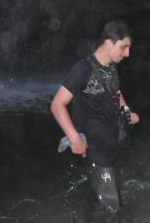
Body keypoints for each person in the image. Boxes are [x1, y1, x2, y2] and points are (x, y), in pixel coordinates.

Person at [50, 20, 139, 211]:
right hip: (96, 149)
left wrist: (127, 111)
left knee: (107, 201)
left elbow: (115, 92)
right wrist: (75, 140)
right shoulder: (83, 69)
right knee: (112, 209)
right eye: (124, 47)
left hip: (111, 143)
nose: (127, 54)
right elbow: (57, 104)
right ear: (109, 42)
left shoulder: (111, 67)